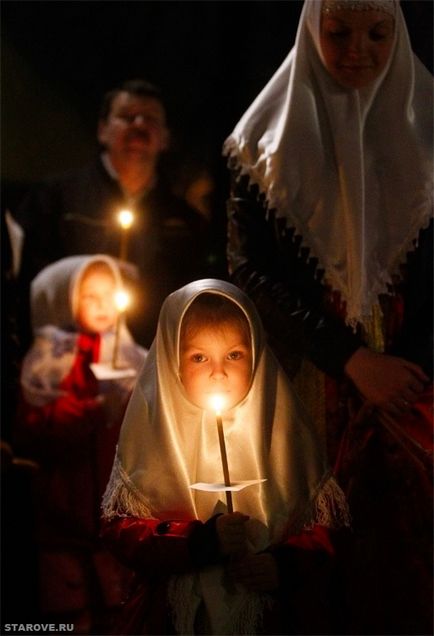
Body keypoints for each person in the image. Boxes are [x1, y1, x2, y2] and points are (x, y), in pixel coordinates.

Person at [224, 0, 433, 633]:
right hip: (309, 379)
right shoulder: (260, 145)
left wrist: (412, 370)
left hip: (415, 388)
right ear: (311, 29)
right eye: (338, 34)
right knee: (315, 558)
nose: (357, 52)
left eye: (378, 33)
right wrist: (351, 359)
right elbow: (252, 273)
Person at [101, 278, 350, 635]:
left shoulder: (282, 427)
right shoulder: (152, 431)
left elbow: (327, 526)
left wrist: (285, 564)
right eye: (199, 357)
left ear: (257, 352)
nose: (219, 373)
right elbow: (120, 531)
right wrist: (199, 541)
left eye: (234, 355)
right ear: (172, 360)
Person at [14, 79, 211, 347]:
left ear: (164, 138)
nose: (139, 125)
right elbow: (30, 282)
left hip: (147, 363)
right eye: (127, 117)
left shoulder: (185, 221)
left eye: (150, 119)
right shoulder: (55, 198)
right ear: (102, 130)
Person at [14, 254, 147, 634]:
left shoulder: (128, 354)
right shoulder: (48, 362)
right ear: (64, 297)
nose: (105, 305)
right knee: (69, 617)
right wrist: (92, 408)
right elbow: (35, 427)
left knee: (116, 610)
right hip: (62, 514)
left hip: (113, 514)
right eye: (91, 296)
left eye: (111, 294)